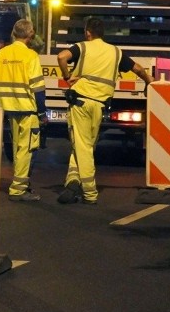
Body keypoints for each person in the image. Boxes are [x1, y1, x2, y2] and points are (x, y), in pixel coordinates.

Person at [56, 17, 153, 205]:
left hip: (80, 103)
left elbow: (61, 57)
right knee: (86, 145)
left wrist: (67, 76)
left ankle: (90, 192)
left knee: (82, 146)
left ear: (88, 32)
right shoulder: (115, 52)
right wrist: (151, 82)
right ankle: (72, 180)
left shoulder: (82, 47)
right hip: (99, 106)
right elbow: (138, 69)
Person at [0, 19, 47, 202]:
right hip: (27, 109)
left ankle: (20, 181)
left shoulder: (2, 53)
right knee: (27, 149)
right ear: (30, 35)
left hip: (9, 108)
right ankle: (18, 189)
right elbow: (38, 89)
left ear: (13, 33)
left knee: (17, 149)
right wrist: (42, 113)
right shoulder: (31, 56)